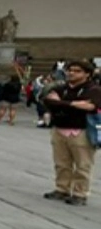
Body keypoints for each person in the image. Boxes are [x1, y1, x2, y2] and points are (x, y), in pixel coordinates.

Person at [42, 60, 101, 206]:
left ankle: (80, 193)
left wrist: (62, 103)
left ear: (87, 74)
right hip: (59, 129)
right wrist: (75, 104)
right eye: (70, 70)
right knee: (61, 163)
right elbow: (49, 101)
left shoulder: (93, 89)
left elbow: (90, 106)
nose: (71, 73)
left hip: (81, 131)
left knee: (83, 165)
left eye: (77, 71)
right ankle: (62, 188)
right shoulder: (61, 88)